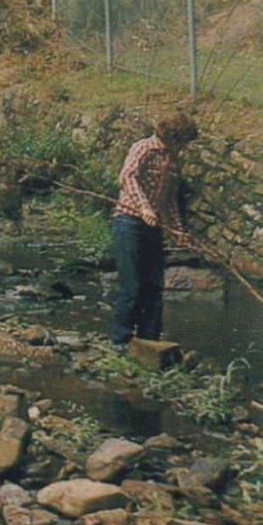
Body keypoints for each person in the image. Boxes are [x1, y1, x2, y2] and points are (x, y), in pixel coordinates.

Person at [109, 111, 198, 350]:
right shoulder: (144, 148)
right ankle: (120, 341)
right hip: (129, 222)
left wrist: (178, 230)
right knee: (132, 285)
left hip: (154, 227)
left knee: (155, 288)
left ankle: (149, 341)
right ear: (174, 137)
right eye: (183, 143)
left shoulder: (173, 161)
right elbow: (127, 177)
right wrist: (144, 207)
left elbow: (169, 201)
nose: (184, 148)